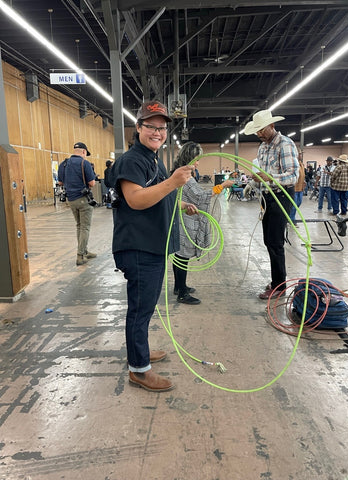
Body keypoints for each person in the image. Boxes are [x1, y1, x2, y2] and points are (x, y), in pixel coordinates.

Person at [111, 100, 197, 393]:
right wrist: (173, 183)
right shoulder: (132, 160)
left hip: (152, 246)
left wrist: (180, 202)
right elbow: (136, 199)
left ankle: (141, 351)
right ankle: (138, 369)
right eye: (151, 126)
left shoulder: (152, 158)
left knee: (145, 308)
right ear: (138, 128)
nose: (157, 132)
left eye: (161, 128)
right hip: (138, 247)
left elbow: (156, 193)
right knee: (139, 309)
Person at [244, 109, 299, 300]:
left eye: (262, 130)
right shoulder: (263, 148)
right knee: (268, 241)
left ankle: (279, 286)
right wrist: (253, 182)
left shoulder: (285, 145)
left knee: (275, 243)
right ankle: (278, 281)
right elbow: (261, 173)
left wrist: (271, 178)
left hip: (281, 196)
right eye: (256, 131)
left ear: (272, 126)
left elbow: (293, 176)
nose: (259, 134)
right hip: (266, 197)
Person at [171, 141, 234, 305]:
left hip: (180, 217)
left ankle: (179, 286)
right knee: (182, 256)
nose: (198, 162)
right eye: (196, 159)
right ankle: (182, 293)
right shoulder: (186, 177)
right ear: (190, 158)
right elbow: (202, 197)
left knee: (179, 254)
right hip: (185, 219)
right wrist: (223, 186)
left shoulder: (179, 173)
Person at [58, 142, 97, 266]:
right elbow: (92, 183)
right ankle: (80, 255)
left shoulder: (63, 164)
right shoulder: (84, 163)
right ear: (84, 152)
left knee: (79, 226)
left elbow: (60, 182)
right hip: (83, 199)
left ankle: (84, 251)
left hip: (71, 200)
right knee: (85, 227)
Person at [289, 153, 305, 222]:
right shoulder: (293, 164)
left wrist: (304, 181)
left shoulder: (301, 164)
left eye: (301, 154)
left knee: (299, 202)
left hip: (300, 188)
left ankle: (291, 216)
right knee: (294, 205)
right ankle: (292, 219)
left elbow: (302, 174)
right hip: (294, 188)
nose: (301, 156)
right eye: (299, 154)